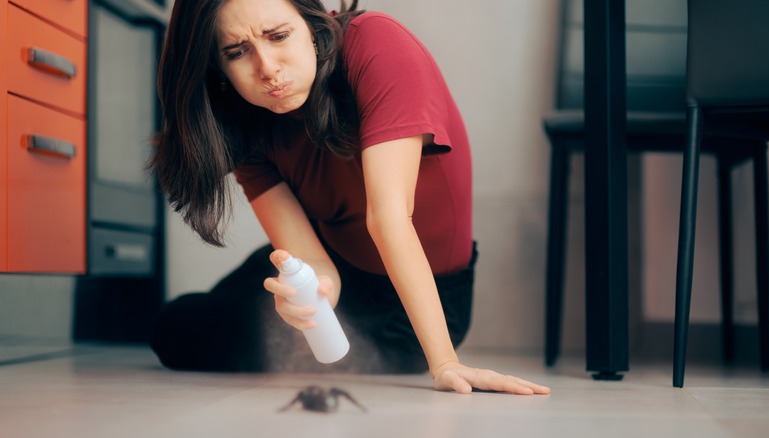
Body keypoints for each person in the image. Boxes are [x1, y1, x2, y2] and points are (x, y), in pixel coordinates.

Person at [149, 0, 549, 396]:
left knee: (182, 329)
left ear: (311, 22)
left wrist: (444, 363)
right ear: (217, 70)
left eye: (278, 36)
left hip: (410, 310)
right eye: (237, 52)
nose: (267, 69)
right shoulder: (242, 122)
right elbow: (313, 261)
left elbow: (388, 217)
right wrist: (311, 299)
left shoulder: (375, 43)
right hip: (333, 263)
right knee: (173, 325)